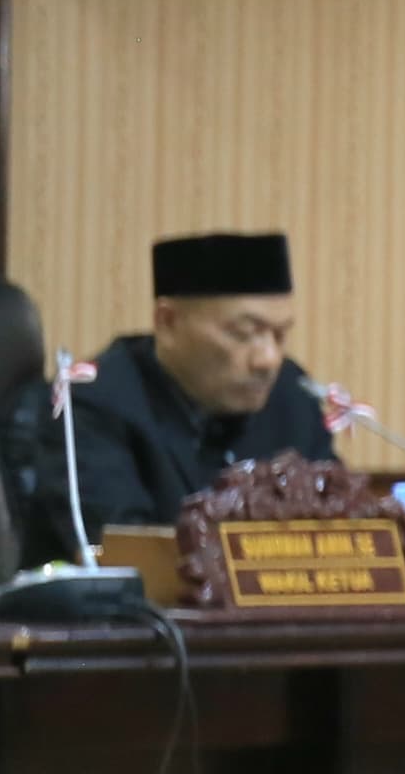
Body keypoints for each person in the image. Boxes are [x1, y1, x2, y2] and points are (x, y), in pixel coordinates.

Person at [50, 231, 341, 546]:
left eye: (280, 335)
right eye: (244, 333)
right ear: (168, 322)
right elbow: (124, 553)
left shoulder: (292, 397)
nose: (268, 360)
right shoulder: (95, 405)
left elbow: (338, 523)